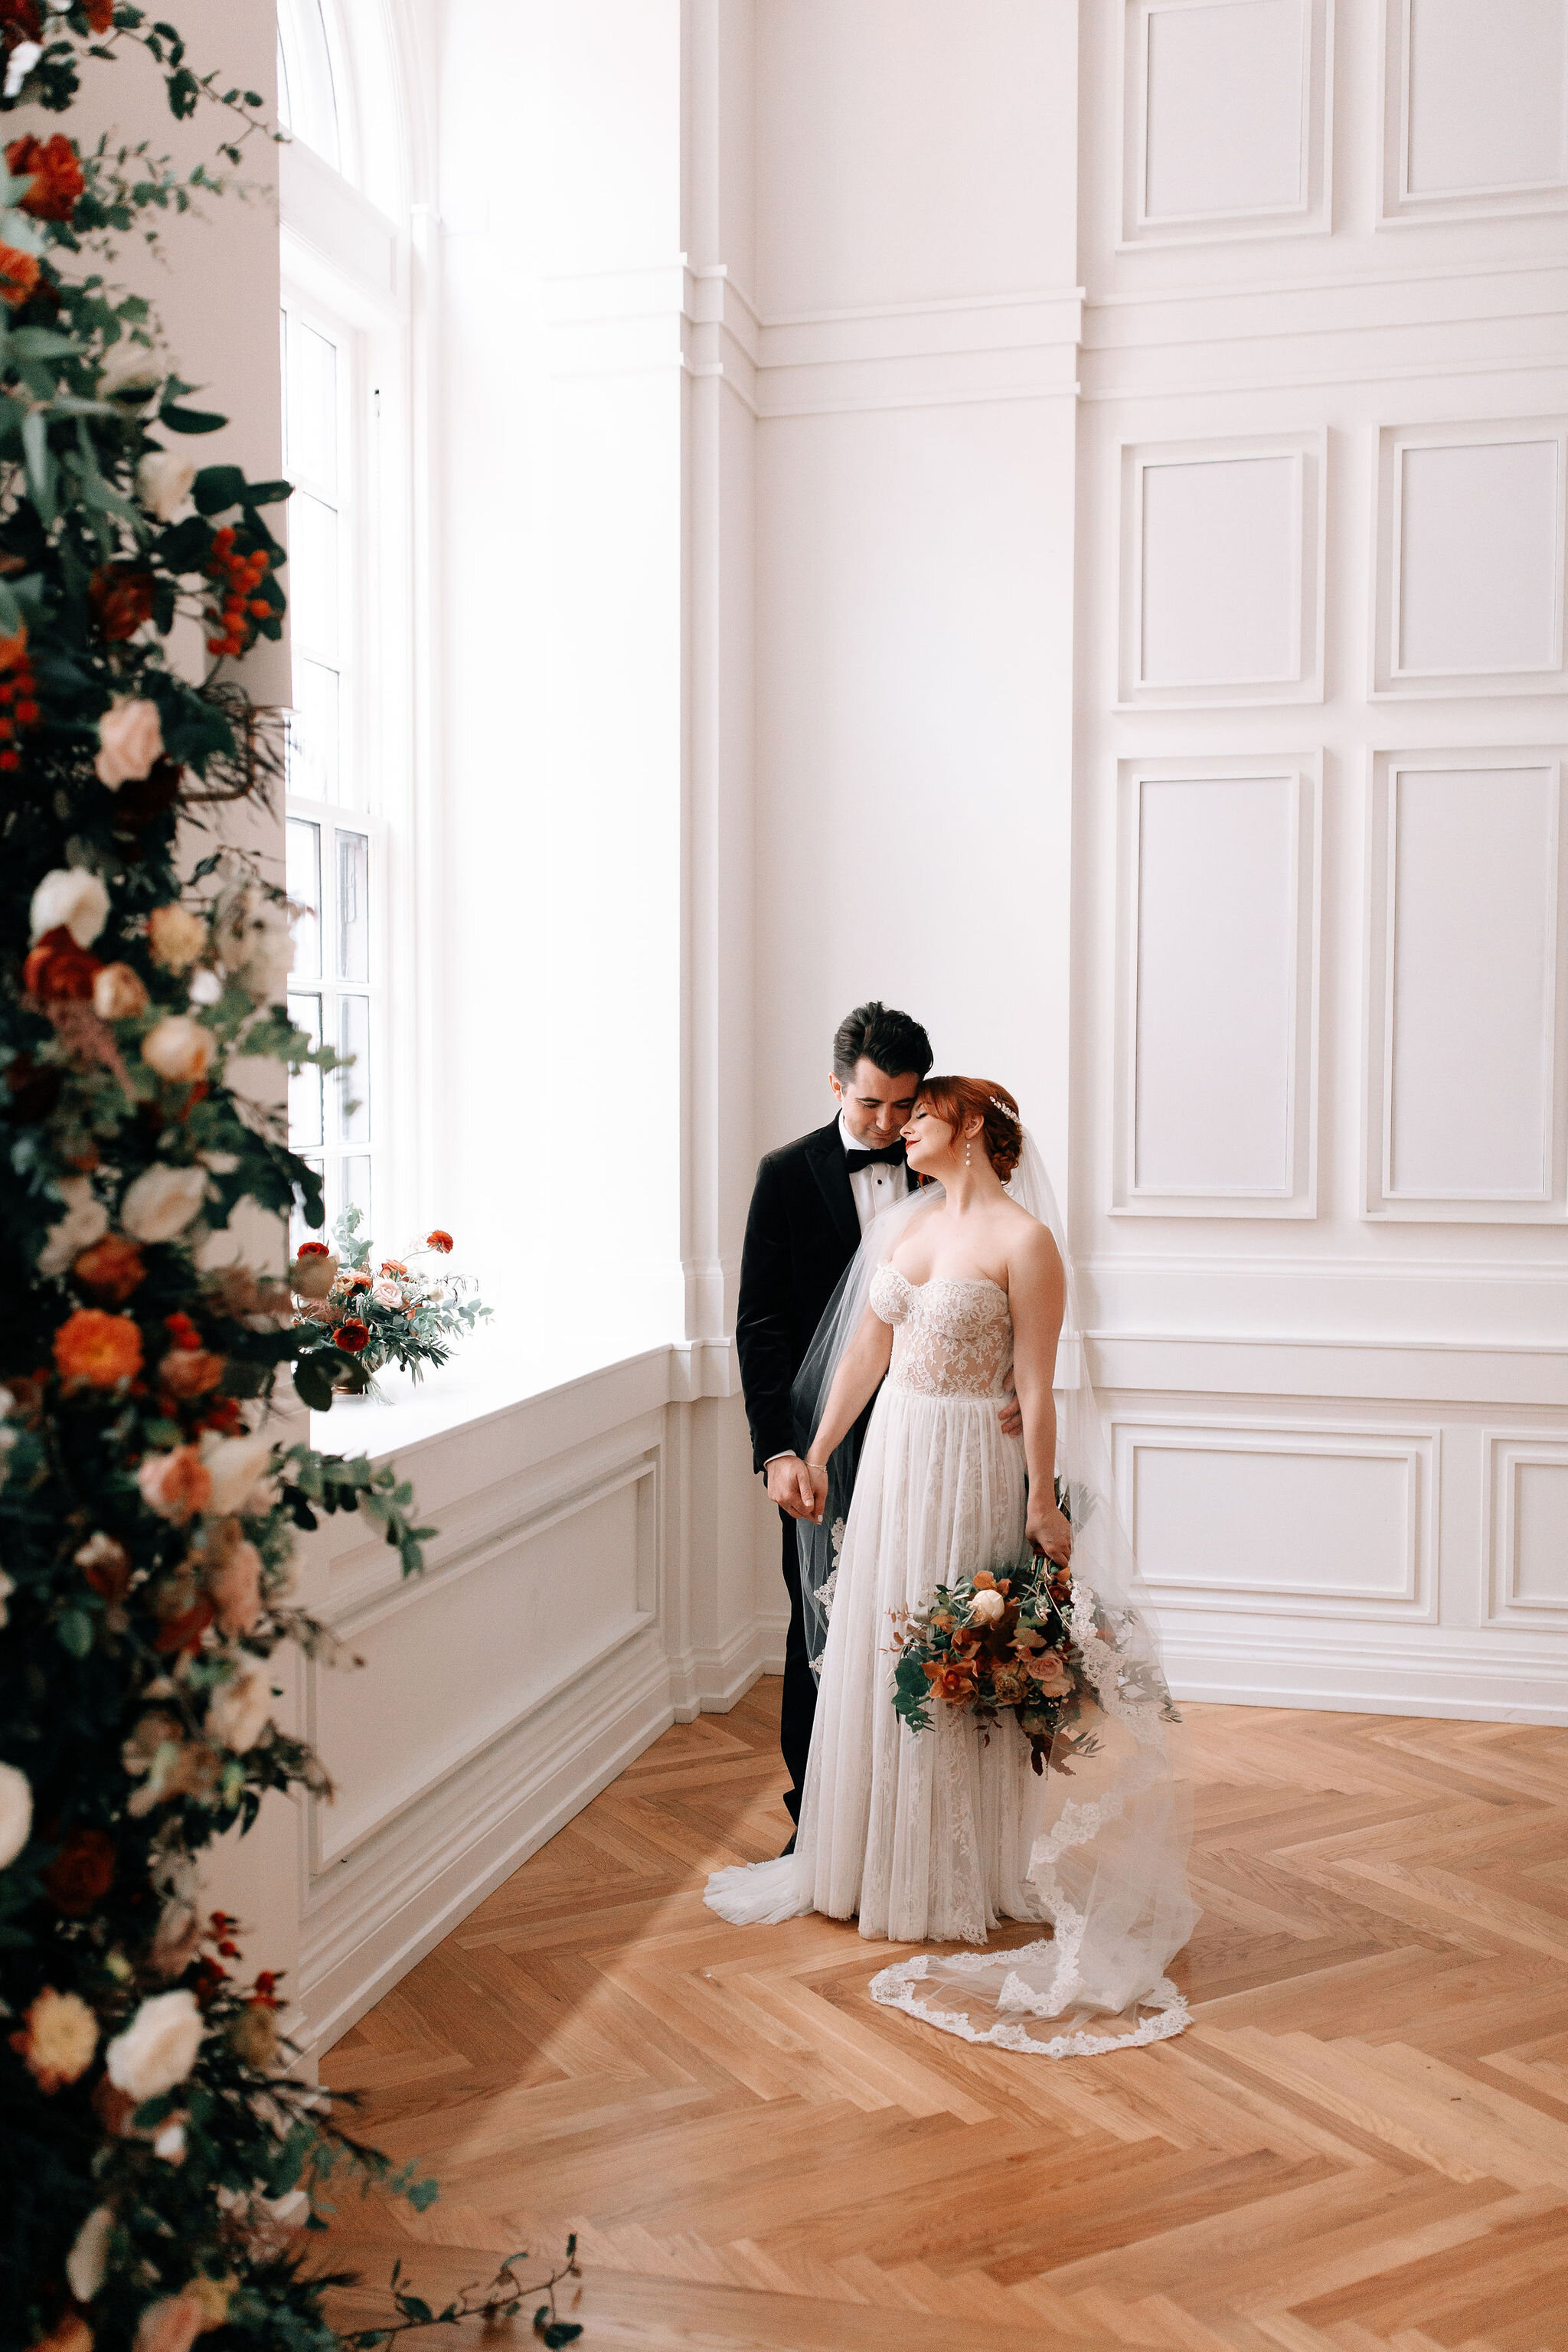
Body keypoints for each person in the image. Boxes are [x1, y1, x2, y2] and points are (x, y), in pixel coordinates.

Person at [710, 1078, 1197, 2060]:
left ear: (967, 1128)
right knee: (880, 1657)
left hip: (972, 1463)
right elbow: (861, 1357)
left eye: (919, 1118)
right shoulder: (905, 1226)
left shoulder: (1025, 1244)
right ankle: (854, 1868)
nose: (900, 1132)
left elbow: (1036, 1386)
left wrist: (1040, 1499)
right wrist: (811, 1451)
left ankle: (952, 1878)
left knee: (950, 1663)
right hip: (893, 1462)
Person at [736, 1004, 1021, 1847]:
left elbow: (997, 1292)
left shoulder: (945, 1164)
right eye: (871, 1107)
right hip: (823, 1434)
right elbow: (759, 1324)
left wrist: (1004, 1384)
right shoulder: (785, 1174)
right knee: (823, 1615)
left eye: (905, 1105)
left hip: (941, 1433)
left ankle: (930, 1822)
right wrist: (779, 1449)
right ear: (835, 1086)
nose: (890, 1124)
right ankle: (817, 1818)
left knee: (936, 1608)